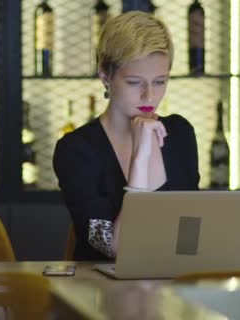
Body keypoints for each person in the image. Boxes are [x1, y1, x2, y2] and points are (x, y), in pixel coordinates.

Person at [53, 11, 200, 261]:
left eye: (160, 82)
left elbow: (191, 236)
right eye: (134, 82)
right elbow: (116, 248)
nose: (149, 97)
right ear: (105, 77)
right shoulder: (76, 150)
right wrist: (140, 158)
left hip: (173, 283)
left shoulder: (180, 133)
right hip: (101, 292)